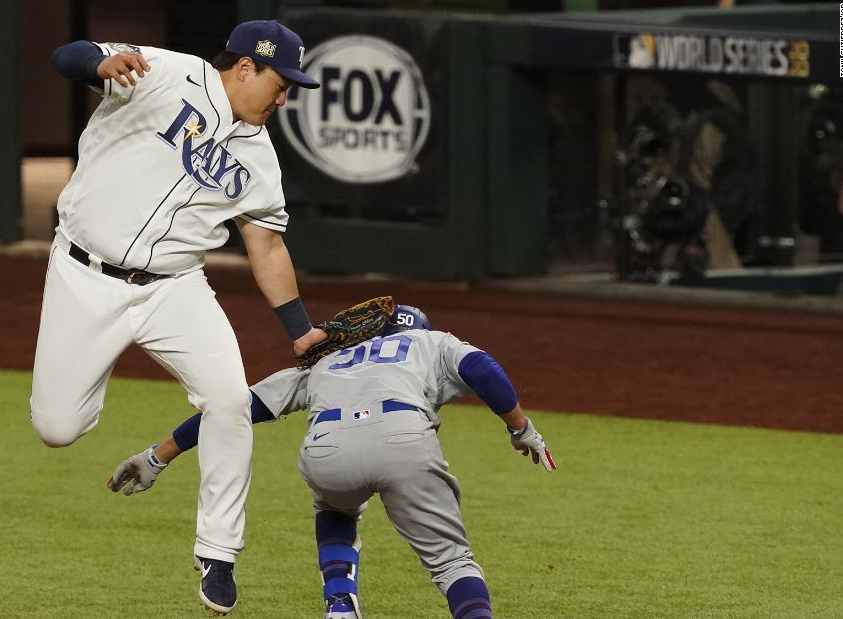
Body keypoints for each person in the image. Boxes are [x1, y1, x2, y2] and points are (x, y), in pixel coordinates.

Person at [33, 20, 324, 615]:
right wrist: (97, 66)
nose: (285, 97)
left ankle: (218, 552)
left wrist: (301, 330)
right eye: (281, 82)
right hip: (83, 275)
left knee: (229, 401)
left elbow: (266, 248)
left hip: (176, 287)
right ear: (246, 67)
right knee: (57, 429)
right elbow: (68, 54)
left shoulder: (260, 159)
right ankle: (86, 386)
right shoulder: (167, 73)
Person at [109, 304, 556, 619]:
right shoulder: (430, 341)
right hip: (405, 441)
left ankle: (339, 604)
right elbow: (482, 368)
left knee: (335, 508)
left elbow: (234, 408)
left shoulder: (328, 359)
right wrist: (520, 429)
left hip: (327, 449)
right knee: (453, 562)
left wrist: (159, 454)